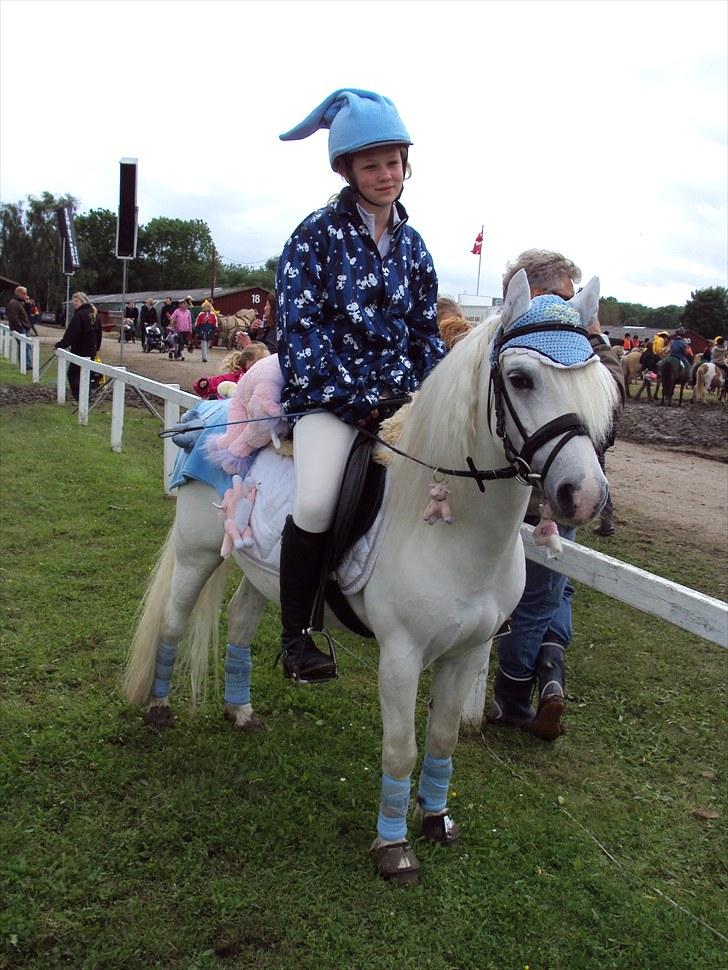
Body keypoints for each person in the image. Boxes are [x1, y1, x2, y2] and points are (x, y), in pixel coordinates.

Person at [275, 87, 444, 683]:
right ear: (345, 168)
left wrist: (425, 391)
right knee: (318, 500)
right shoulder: (314, 235)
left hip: (401, 402)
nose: (386, 174)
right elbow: (299, 326)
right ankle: (297, 636)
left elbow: (427, 332)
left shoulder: (415, 248)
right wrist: (353, 397)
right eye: (371, 164)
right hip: (329, 399)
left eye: (394, 161)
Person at [485, 250, 625, 740]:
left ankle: (548, 676)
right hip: (535, 490)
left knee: (555, 586)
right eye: (564, 296)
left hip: (563, 485)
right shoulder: (544, 349)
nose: (571, 306)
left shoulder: (572, 348)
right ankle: (517, 690)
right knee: (539, 591)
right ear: (539, 295)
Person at [54, 291, 102, 401]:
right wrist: (97, 347)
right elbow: (99, 333)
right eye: (73, 301)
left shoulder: (80, 315)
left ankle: (80, 398)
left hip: (80, 350)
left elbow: (72, 333)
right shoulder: (94, 314)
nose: (74, 303)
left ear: (83, 301)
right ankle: (88, 396)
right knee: (86, 374)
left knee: (73, 374)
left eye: (76, 301)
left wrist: (61, 344)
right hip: (91, 350)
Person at [6, 285, 33, 367]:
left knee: (26, 346)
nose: (26, 295)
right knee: (25, 346)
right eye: (24, 293)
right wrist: (20, 327)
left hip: (24, 327)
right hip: (20, 329)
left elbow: (27, 315)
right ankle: (26, 365)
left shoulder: (20, 302)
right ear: (18, 293)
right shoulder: (14, 303)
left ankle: (26, 364)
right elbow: (13, 317)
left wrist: (28, 305)